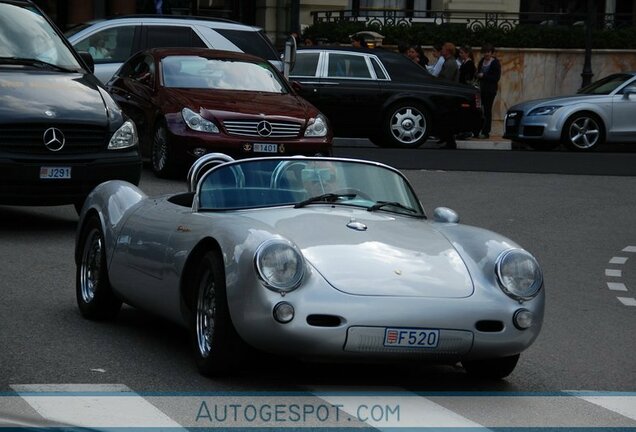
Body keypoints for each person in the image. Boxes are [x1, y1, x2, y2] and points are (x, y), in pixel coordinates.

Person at [476, 43, 501, 139]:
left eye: (488, 52)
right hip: (481, 89)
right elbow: (478, 71)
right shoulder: (482, 61)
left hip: (490, 90)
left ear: (491, 52)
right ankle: (478, 129)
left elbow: (496, 77)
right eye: (485, 52)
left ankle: (486, 132)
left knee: (487, 110)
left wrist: (484, 76)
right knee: (479, 110)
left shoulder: (495, 63)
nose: (486, 54)